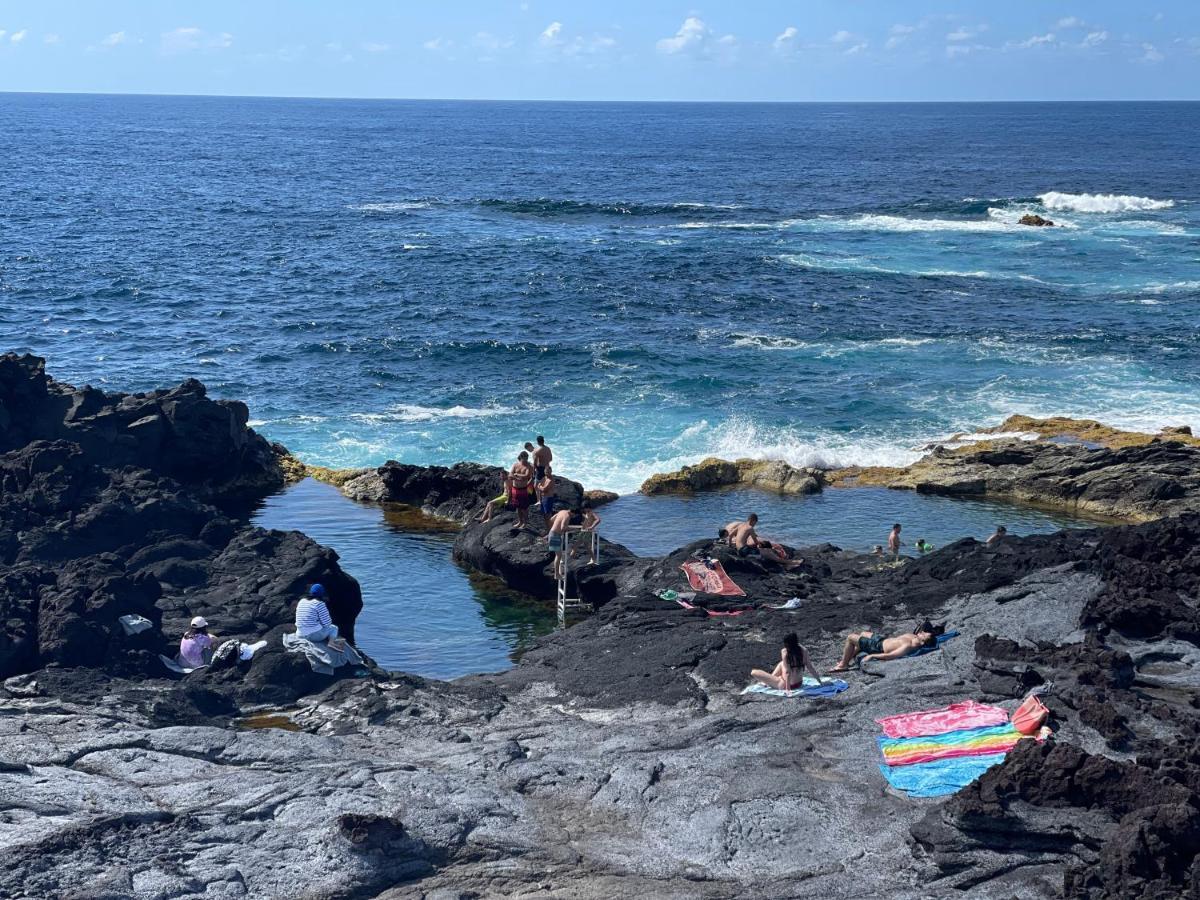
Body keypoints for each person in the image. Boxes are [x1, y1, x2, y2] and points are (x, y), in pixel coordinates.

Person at [830, 628, 936, 671]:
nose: (923, 632)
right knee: (863, 633)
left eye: (925, 635)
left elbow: (890, 656)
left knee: (850, 637)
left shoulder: (908, 646)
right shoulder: (913, 637)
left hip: (877, 648)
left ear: (923, 642)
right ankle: (848, 658)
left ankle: (843, 665)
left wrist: (872, 656)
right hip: (881, 641)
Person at [751, 632, 824, 692]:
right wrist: (820, 682)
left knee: (754, 672)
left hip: (784, 684)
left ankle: (767, 682)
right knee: (781, 663)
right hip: (799, 683)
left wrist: (787, 689)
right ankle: (769, 680)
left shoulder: (785, 652)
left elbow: (787, 672)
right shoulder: (804, 650)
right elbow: (810, 668)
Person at [547, 506, 574, 581]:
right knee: (558, 556)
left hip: (553, 534)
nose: (573, 516)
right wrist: (573, 529)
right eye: (574, 515)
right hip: (555, 536)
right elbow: (563, 528)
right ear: (572, 512)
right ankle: (556, 574)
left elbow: (551, 519)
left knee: (558, 555)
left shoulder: (562, 511)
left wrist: (555, 527)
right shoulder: (567, 516)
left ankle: (558, 571)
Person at [509, 450, 535, 529]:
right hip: (515, 488)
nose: (526, 460)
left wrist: (516, 474)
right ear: (521, 457)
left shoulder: (529, 466)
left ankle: (525, 522)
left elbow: (527, 476)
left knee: (524, 507)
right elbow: (510, 475)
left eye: (527, 458)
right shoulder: (515, 465)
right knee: (518, 507)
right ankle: (520, 521)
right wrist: (517, 477)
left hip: (523, 489)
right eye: (524, 458)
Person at [572, 500, 602, 565]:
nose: (584, 509)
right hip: (584, 531)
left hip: (586, 532)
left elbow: (598, 520)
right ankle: (593, 559)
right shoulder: (587, 513)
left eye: (585, 508)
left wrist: (592, 526)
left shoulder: (591, 513)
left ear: (588, 507)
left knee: (577, 544)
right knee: (585, 546)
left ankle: (572, 556)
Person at [537, 464, 558, 528]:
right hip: (543, 498)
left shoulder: (551, 480)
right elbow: (539, 486)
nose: (547, 473)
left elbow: (544, 489)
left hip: (548, 498)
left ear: (551, 471)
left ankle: (551, 530)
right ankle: (548, 530)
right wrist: (540, 486)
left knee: (548, 516)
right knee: (544, 516)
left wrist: (540, 486)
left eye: (548, 472)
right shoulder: (544, 477)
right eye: (546, 472)